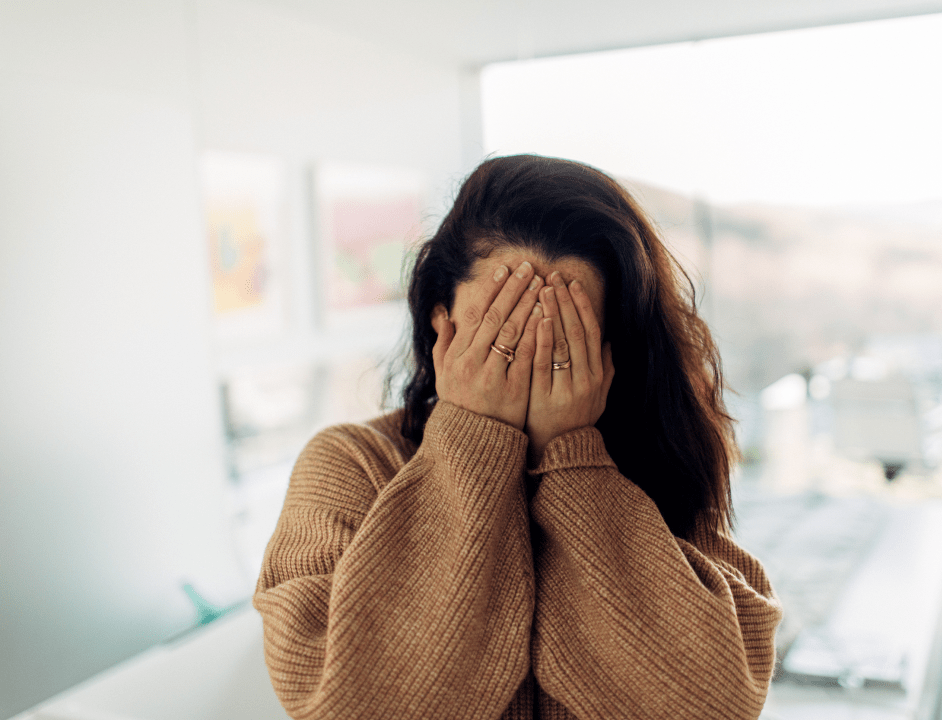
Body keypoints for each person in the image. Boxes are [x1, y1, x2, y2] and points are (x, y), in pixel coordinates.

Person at [253, 155, 782, 720]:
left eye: (566, 330)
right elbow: (354, 708)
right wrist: (473, 438)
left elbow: (712, 707)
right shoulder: (353, 464)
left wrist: (573, 460)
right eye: (498, 325)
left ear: (612, 346)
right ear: (440, 321)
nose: (527, 350)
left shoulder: (656, 461)